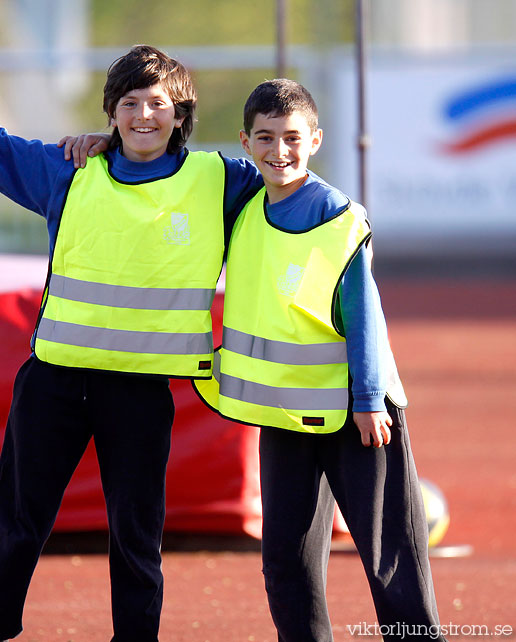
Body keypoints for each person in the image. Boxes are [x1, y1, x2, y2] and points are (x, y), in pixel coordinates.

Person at [0, 30, 261, 642]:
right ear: (110, 114)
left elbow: (287, 178)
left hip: (140, 392)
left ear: (180, 114)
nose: (143, 114)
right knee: (20, 523)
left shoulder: (221, 181)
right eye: (128, 103)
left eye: (157, 102)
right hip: (54, 382)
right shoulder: (69, 171)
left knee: (137, 535)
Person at [192, 79, 447, 641]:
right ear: (245, 140)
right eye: (265, 138)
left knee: (391, 563)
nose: (278, 151)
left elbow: (364, 317)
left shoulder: (337, 215)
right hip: (287, 414)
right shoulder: (243, 200)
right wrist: (102, 140)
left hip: (360, 413)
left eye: (291, 138)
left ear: (315, 140)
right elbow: (173, 163)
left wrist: (367, 400)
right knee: (286, 562)